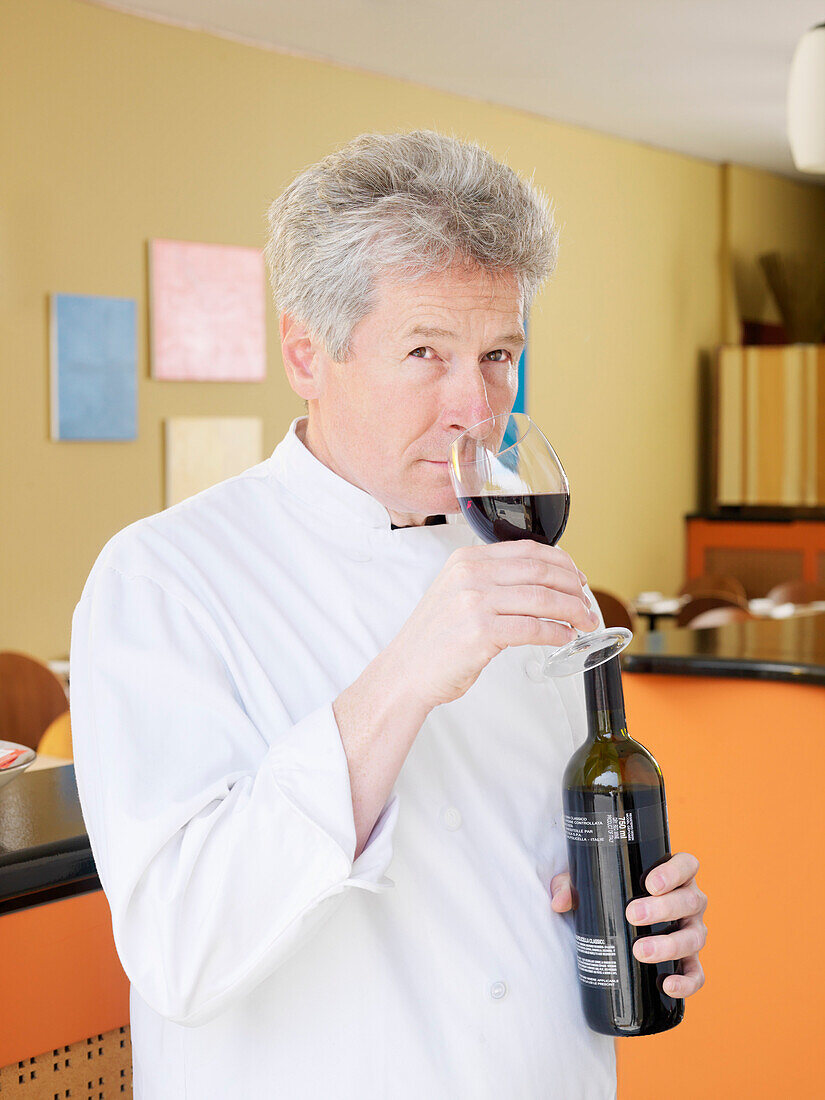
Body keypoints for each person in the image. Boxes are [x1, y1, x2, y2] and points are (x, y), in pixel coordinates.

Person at [70, 130, 707, 1099]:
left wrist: (633, 899)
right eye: (425, 351)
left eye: (500, 353)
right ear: (305, 353)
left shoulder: (517, 544)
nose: (476, 406)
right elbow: (181, 948)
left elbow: (538, 846)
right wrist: (407, 674)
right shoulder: (162, 576)